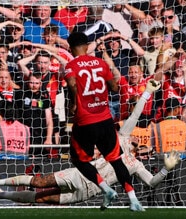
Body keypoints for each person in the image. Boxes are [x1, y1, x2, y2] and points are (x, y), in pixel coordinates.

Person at [0, 80, 181, 206]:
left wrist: (165, 169)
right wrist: (146, 93)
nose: (139, 139)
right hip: (80, 174)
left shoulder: (136, 165)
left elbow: (152, 182)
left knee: (43, 199)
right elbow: (134, 116)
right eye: (138, 138)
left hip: (89, 191)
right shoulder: (123, 140)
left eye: (143, 144)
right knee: (39, 183)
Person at [64, 32, 143, 211]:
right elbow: (115, 87)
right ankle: (133, 199)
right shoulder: (100, 63)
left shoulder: (71, 66)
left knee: (79, 161)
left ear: (70, 47)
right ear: (87, 45)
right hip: (106, 119)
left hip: (85, 121)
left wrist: (74, 103)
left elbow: (71, 84)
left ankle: (106, 189)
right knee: (116, 160)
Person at [15, 73, 53, 156]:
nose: (34, 86)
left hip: (40, 135)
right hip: (24, 135)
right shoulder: (20, 95)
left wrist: (48, 138)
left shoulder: (45, 97)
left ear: (40, 84)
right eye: (31, 83)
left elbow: (49, 120)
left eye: (36, 83)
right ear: (27, 82)